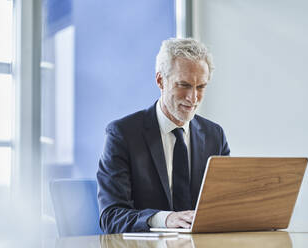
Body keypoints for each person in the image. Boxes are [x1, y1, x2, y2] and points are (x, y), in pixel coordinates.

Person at [97, 38, 230, 233]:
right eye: (184, 85)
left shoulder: (214, 135)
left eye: (201, 87)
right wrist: (165, 219)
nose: (193, 98)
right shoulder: (122, 135)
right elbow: (111, 216)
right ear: (160, 80)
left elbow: (226, 207)